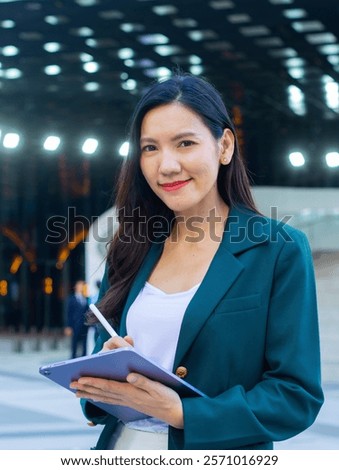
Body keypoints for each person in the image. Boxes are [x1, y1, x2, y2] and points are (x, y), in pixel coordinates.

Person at [71, 73, 324, 450]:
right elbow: (97, 387)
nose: (166, 165)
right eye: (150, 148)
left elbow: (295, 395)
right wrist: (103, 374)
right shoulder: (131, 245)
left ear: (224, 146)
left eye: (185, 143)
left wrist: (183, 414)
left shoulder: (277, 249)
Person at [64, 280, 89, 359]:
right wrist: (68, 326)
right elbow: (69, 313)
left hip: (84, 326)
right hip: (75, 325)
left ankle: (84, 358)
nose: (82, 287)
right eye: (80, 285)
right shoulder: (71, 299)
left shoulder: (86, 299)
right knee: (74, 343)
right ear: (76, 287)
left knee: (84, 344)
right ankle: (73, 358)